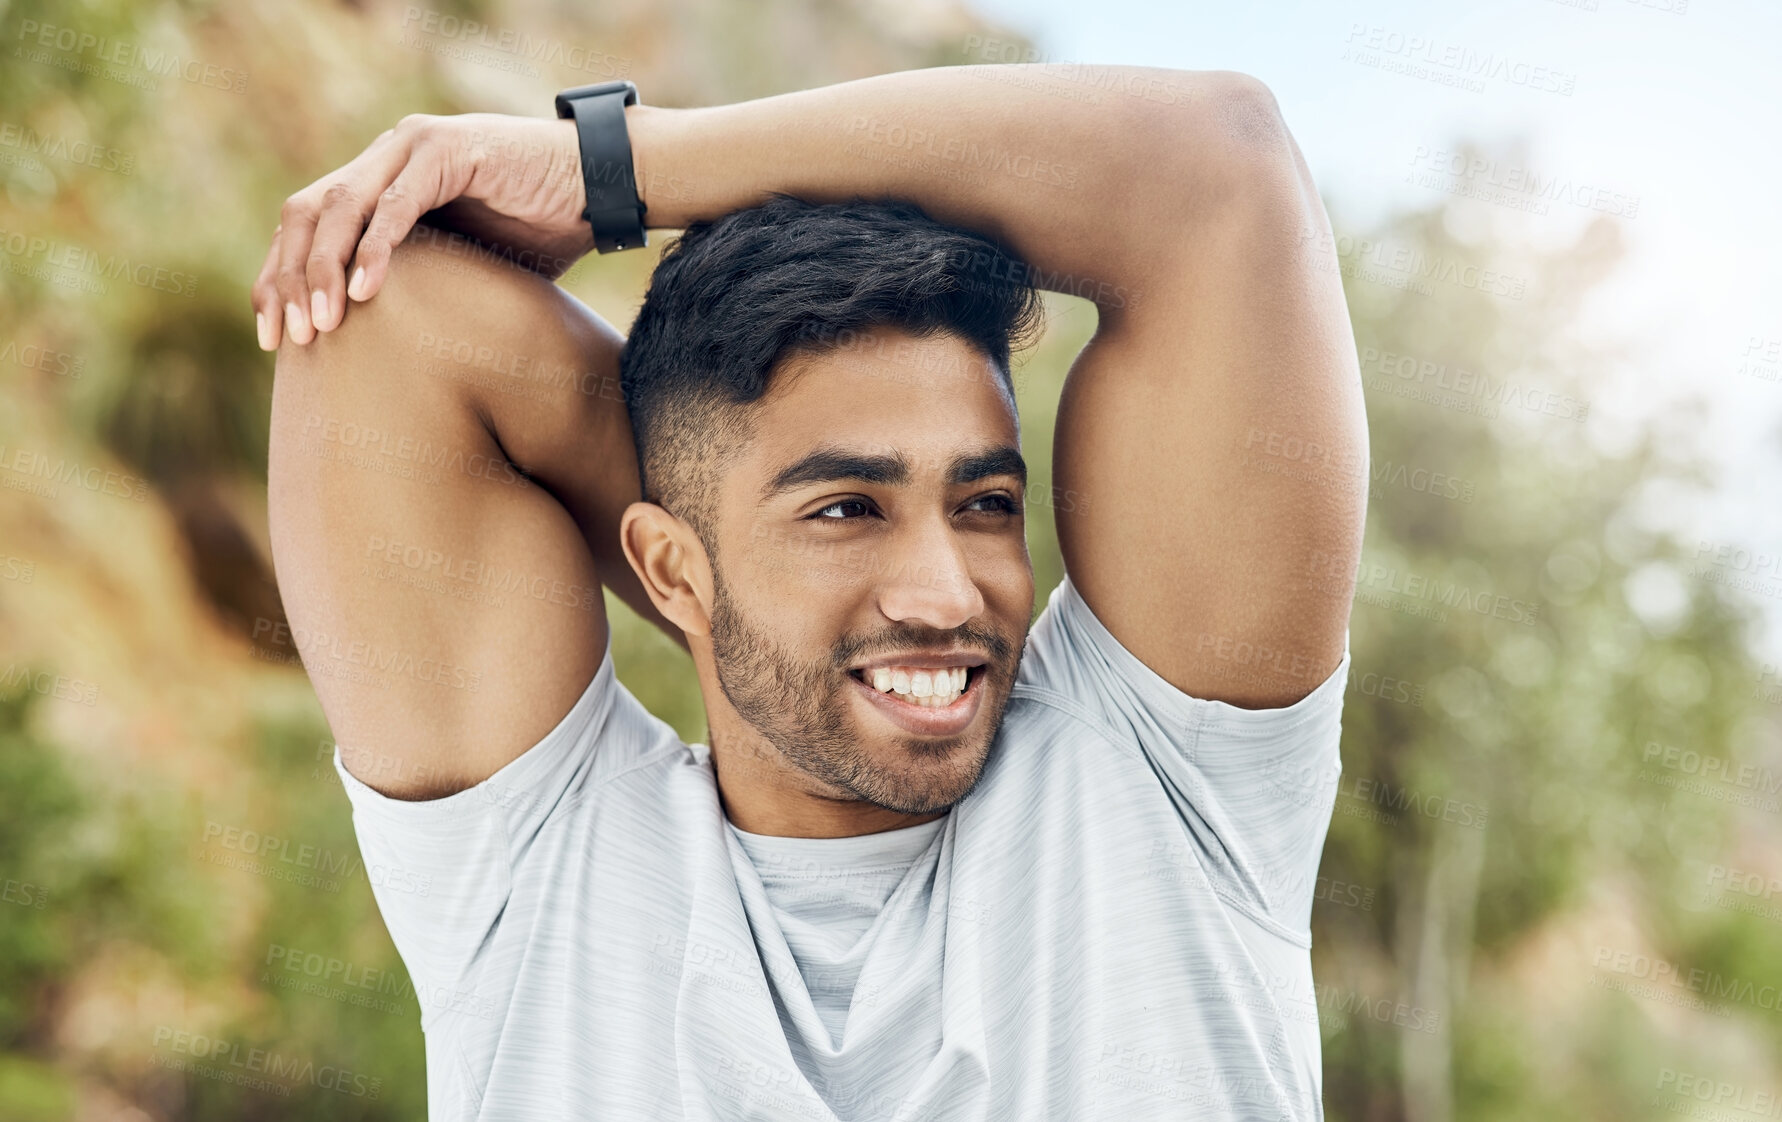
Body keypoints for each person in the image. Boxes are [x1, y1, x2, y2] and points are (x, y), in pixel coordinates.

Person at [254, 61, 1367, 1120]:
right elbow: (379, 302)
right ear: (667, 567)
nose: (943, 595)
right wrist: (735, 586)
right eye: (845, 509)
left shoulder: (1167, 782)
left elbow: (1219, 164)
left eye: (982, 504)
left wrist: (616, 168)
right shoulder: (539, 866)